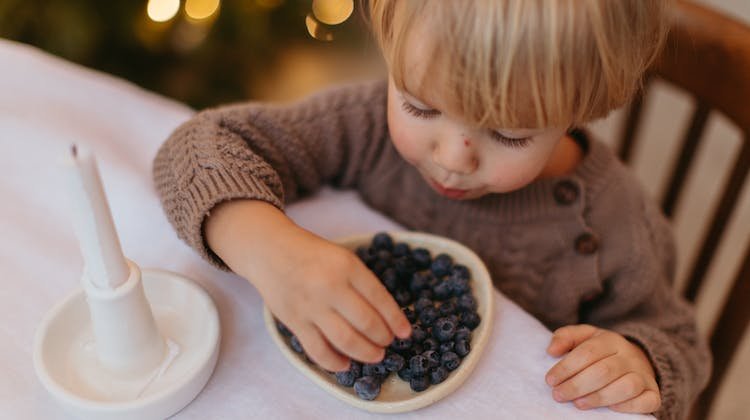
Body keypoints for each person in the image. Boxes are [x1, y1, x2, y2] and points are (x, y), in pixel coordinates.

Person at [153, 1, 709, 418]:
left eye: (508, 136)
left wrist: (640, 359)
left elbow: (678, 340)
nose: (450, 159)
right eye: (420, 106)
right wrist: (269, 248)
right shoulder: (364, 127)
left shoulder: (611, 222)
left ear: (584, 107)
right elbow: (194, 148)